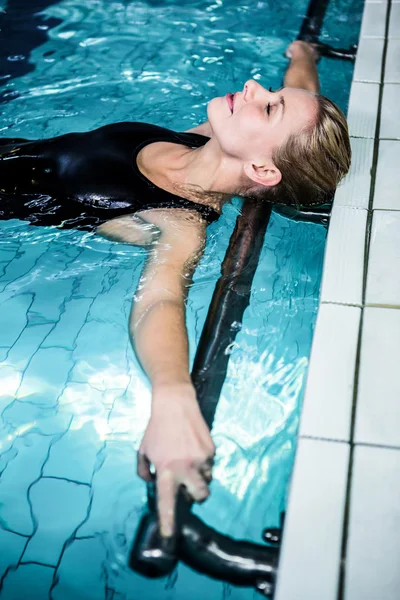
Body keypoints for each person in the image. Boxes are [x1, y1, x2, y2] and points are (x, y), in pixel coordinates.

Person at [0, 41, 351, 537]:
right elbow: (298, 100)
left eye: (267, 105)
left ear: (262, 172)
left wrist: (172, 394)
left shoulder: (178, 222)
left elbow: (161, 299)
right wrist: (304, 58)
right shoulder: (202, 140)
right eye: (267, 93)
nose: (253, 88)